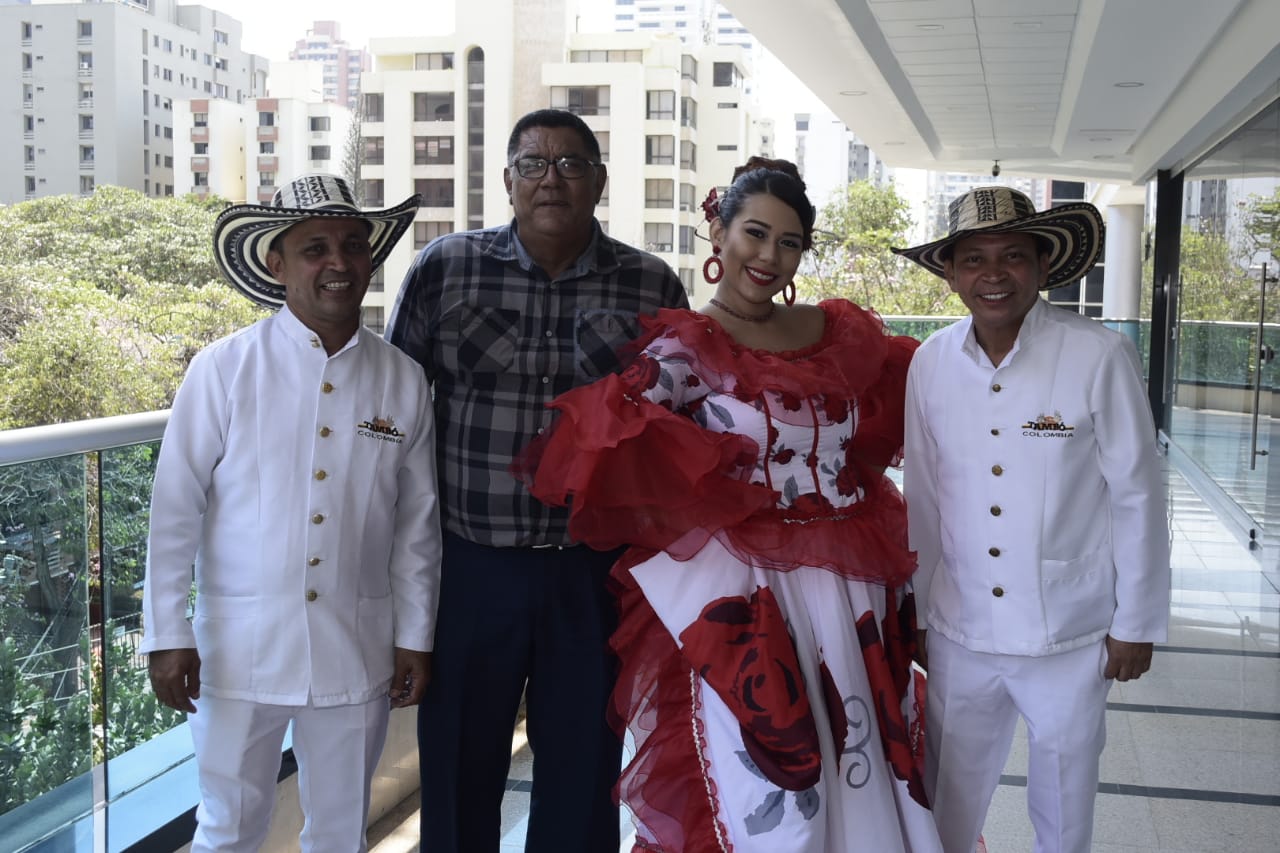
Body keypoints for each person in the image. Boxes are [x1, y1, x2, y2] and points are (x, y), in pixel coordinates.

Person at [517, 157, 943, 851]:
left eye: (790, 241)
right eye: (754, 232)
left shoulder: (838, 334)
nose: (769, 255)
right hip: (748, 601)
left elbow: (914, 414)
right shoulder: (684, 349)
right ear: (718, 233)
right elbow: (607, 447)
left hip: (851, 590)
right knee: (773, 786)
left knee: (862, 763)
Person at [384, 108, 689, 852]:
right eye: (534, 164)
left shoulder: (651, 285)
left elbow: (683, 426)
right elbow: (389, 413)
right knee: (456, 772)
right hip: (470, 570)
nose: (551, 178)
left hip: (594, 574)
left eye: (571, 164)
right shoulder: (445, 268)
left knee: (585, 778)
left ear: (600, 181)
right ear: (509, 180)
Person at [141, 174, 443, 853]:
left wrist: (415, 635)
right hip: (237, 651)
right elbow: (174, 511)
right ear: (276, 263)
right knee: (226, 829)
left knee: (339, 834)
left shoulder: (403, 379)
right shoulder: (222, 370)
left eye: (352, 245)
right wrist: (166, 632)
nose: (338, 263)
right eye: (314, 248)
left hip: (355, 647)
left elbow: (416, 527)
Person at [894, 186, 1171, 853]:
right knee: (946, 803)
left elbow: (1138, 493)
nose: (993, 273)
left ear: (1043, 265)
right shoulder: (930, 362)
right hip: (961, 634)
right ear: (953, 273)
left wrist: (1135, 623)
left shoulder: (1098, 355)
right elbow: (924, 499)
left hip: (1069, 637)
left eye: (1013, 255)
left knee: (1065, 806)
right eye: (974, 258)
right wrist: (922, 614)